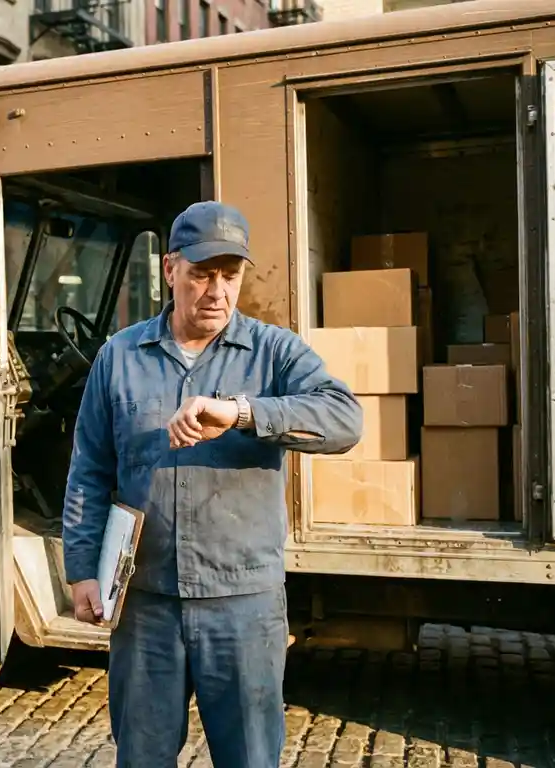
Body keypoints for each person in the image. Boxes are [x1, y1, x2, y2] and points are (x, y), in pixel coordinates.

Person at [62, 201, 364, 768]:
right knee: (142, 757)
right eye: (202, 273)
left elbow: (345, 420)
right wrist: (81, 568)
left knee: (249, 758)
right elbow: (90, 467)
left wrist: (244, 412)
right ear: (170, 268)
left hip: (243, 604)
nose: (218, 291)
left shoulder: (274, 352)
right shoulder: (120, 355)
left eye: (230, 275)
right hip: (147, 602)